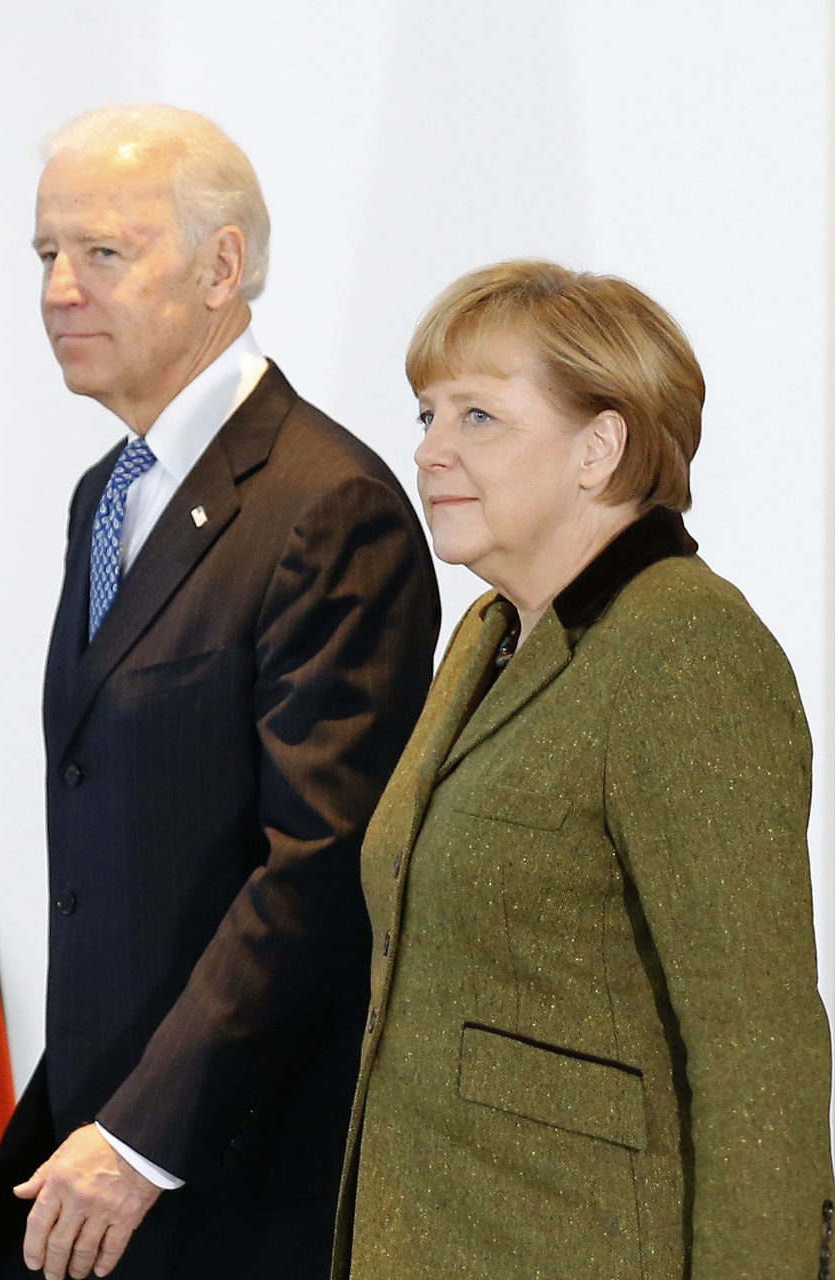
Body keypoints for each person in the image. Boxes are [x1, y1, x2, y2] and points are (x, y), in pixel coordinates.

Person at [0, 105, 438, 1280]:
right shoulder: (105, 494)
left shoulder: (329, 507)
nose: (60, 289)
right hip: (98, 1140)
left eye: (103, 253)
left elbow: (320, 867)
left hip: (228, 1179)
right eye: (46, 256)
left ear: (223, 266)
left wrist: (137, 1138)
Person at [335, 260, 835, 1278]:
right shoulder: (485, 632)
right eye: (426, 413)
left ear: (599, 447)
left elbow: (760, 1053)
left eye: (479, 416)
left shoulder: (686, 650)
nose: (429, 450)